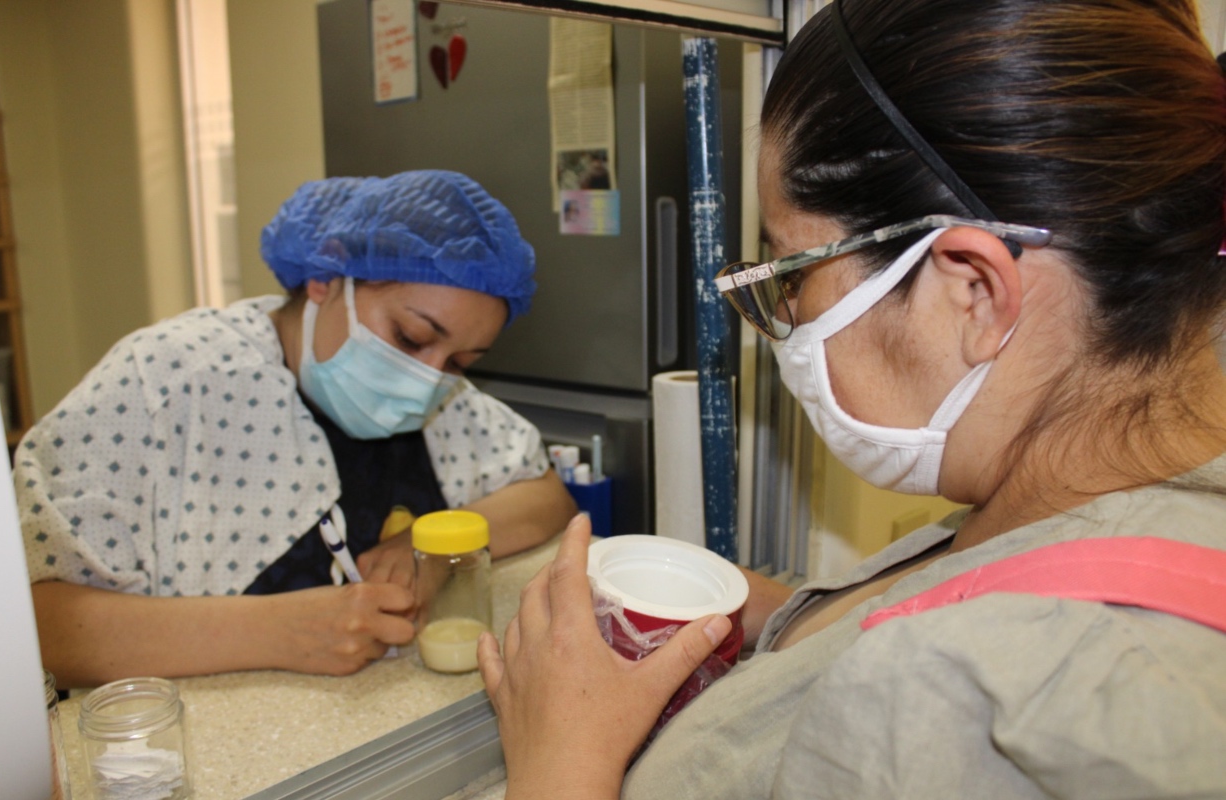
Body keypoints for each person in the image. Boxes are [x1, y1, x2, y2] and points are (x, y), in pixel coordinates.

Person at [478, 1, 1226, 797]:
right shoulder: (1076, 487)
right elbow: (982, 578)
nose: (789, 319)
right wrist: (794, 616)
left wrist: (562, 760)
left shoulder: (978, 692)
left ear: (973, 293)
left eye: (793, 275)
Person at [17, 170, 576, 688]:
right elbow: (42, 623)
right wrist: (278, 631)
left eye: (460, 363)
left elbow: (545, 495)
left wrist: (429, 545)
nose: (425, 382)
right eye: (408, 337)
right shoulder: (165, 380)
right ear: (325, 279)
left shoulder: (446, 403)